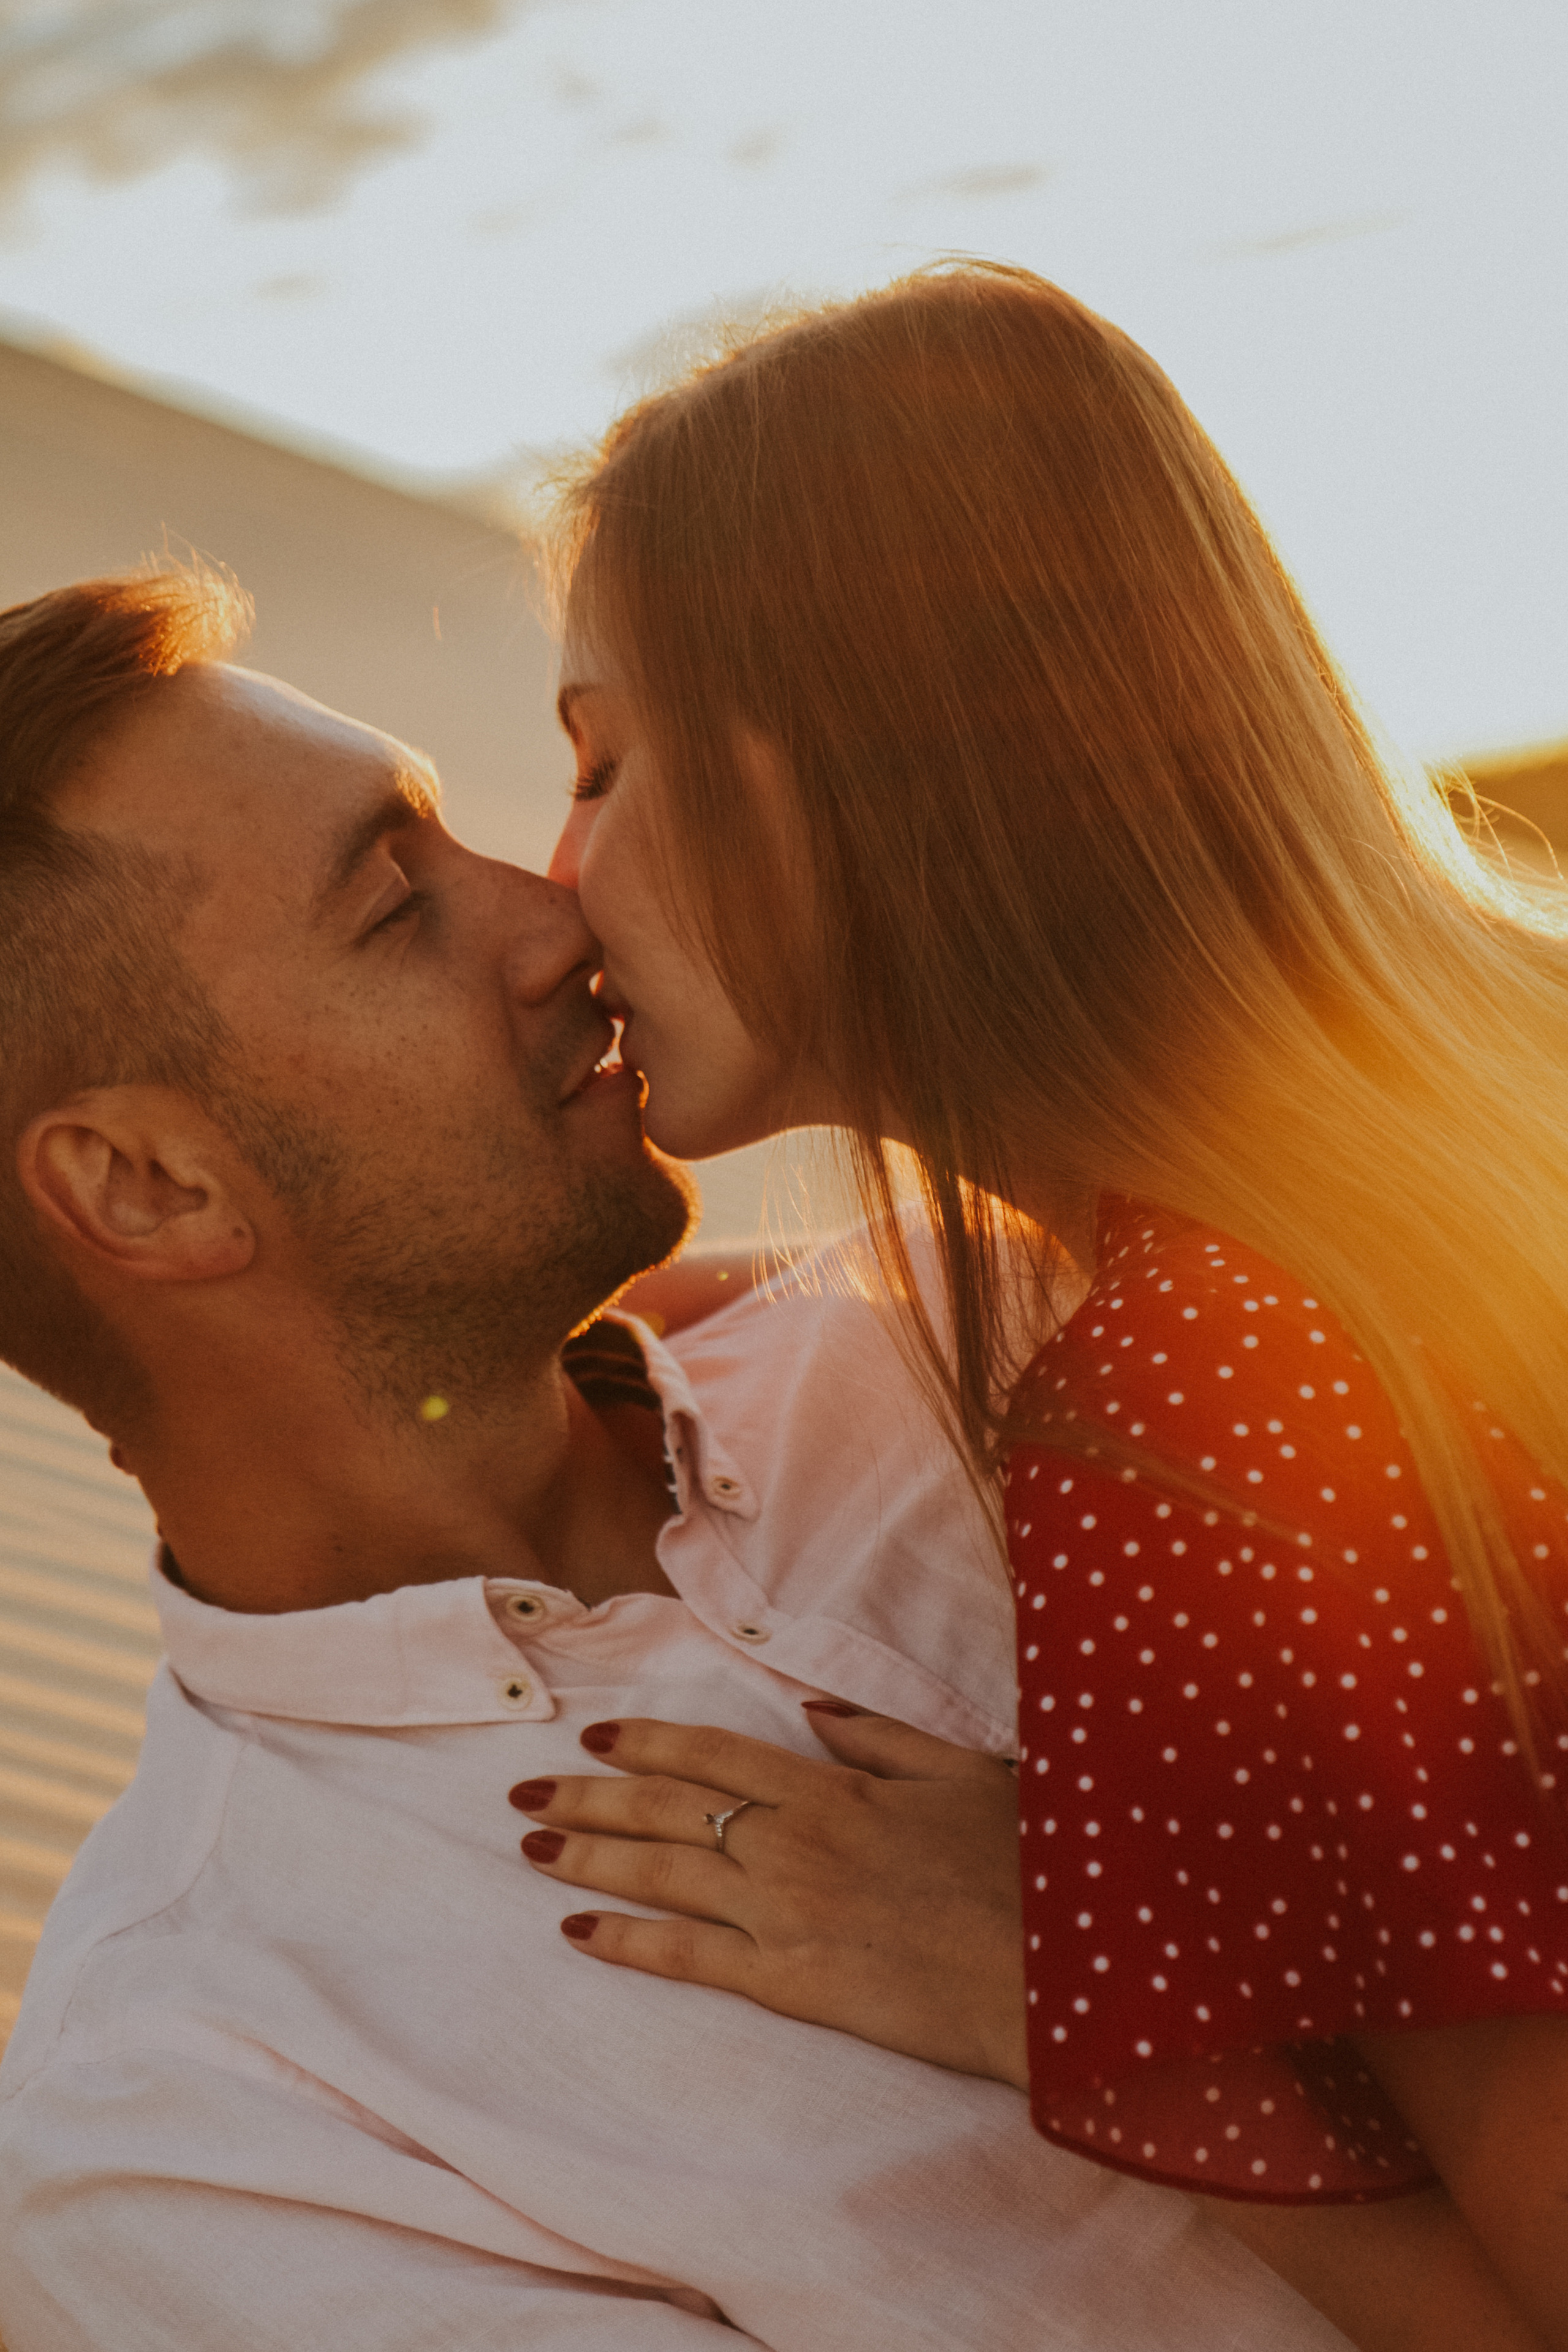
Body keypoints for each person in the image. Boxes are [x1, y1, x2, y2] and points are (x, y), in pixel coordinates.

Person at [0, 568, 1355, 2352]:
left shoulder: (1020, 1331)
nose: (559, 916)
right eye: (399, 904)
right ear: (152, 1189)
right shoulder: (198, 2120)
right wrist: (1129, 2000)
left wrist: (1126, 1973)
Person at [509, 263, 1568, 2350]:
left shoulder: (1208, 1407)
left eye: (611, 764)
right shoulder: (1495, 1093)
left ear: (854, 766)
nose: (557, 874)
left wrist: (1054, 1986)